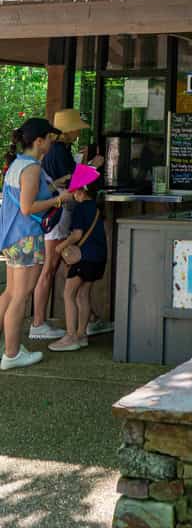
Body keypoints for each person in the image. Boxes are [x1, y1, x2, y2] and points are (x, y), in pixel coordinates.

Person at [0, 119, 74, 370]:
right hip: (27, 238)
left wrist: (56, 186)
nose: (53, 143)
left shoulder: (18, 164)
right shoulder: (31, 168)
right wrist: (58, 200)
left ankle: (10, 348)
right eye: (50, 139)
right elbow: (27, 207)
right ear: (39, 141)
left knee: (10, 293)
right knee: (20, 296)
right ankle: (11, 354)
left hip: (12, 236)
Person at [30, 108, 104, 341]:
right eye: (76, 129)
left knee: (63, 266)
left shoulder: (57, 151)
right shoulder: (59, 151)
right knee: (51, 266)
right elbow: (74, 185)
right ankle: (39, 322)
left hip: (60, 212)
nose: (77, 134)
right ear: (68, 130)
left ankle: (87, 318)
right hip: (59, 213)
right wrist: (93, 166)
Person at [48, 176, 107, 353]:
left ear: (82, 191)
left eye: (74, 191)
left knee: (68, 294)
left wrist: (61, 246)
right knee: (83, 295)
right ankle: (82, 335)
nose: (73, 195)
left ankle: (71, 336)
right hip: (98, 258)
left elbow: (77, 234)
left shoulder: (80, 208)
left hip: (84, 258)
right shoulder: (96, 207)